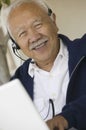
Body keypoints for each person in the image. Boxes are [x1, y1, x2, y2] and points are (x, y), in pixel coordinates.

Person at [2, 0, 86, 129]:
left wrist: (67, 118)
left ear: (53, 21)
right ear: (17, 45)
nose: (34, 37)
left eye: (38, 25)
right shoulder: (17, 83)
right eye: (22, 33)